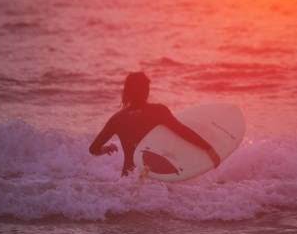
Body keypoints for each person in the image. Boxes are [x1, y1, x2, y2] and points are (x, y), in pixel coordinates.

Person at [89, 72, 220, 176]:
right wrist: (208, 148)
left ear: (127, 92)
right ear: (146, 90)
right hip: (153, 178)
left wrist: (106, 149)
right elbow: (182, 131)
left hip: (127, 180)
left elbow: (93, 149)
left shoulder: (117, 119)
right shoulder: (158, 111)